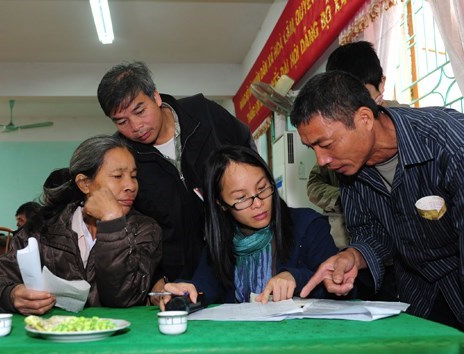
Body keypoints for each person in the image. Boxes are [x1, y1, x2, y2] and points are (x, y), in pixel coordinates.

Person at [290, 70, 464, 329]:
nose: (321, 160)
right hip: (415, 302)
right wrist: (353, 256)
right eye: (312, 148)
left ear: (364, 118)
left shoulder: (449, 141)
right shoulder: (350, 169)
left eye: (326, 143)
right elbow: (372, 233)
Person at [97, 61, 255, 302]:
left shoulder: (205, 115)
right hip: (176, 280)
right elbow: (134, 225)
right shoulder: (124, 156)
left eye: (140, 111)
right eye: (121, 121)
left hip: (239, 257)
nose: (136, 127)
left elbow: (251, 162)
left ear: (156, 97)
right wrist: (154, 276)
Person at [0, 135, 162, 315]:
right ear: (85, 183)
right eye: (118, 176)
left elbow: (121, 297)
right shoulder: (44, 229)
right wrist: (10, 294)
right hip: (53, 337)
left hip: (117, 339)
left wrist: (113, 223)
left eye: (134, 176)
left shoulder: (146, 230)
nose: (131, 185)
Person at [161, 145, 338, 306]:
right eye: (241, 198)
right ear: (221, 204)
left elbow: (341, 289)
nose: (258, 203)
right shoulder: (222, 241)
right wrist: (185, 290)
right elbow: (205, 285)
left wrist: (295, 278)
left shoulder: (309, 226)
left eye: (262, 188)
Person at [308, 41, 407, 249]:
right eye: (346, 99)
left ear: (382, 84)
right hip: (358, 246)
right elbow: (314, 184)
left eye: (362, 94)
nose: (356, 106)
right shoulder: (333, 145)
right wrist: (344, 199)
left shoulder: (412, 128)